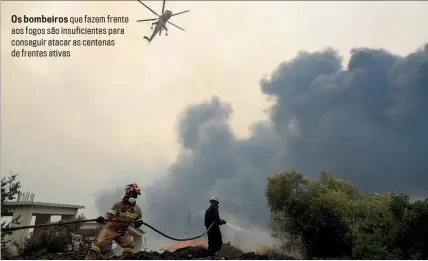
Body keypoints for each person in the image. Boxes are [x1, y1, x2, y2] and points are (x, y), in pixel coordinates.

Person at [85, 183, 144, 260]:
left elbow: (139, 220)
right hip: (110, 229)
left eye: (132, 194)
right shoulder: (118, 204)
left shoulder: (137, 210)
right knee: (97, 246)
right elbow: (109, 214)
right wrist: (103, 218)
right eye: (128, 193)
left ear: (135, 196)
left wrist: (138, 223)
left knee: (130, 247)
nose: (129, 195)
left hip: (123, 233)